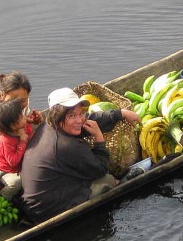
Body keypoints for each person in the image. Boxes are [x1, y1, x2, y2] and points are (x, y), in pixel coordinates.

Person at [20, 88, 141, 222]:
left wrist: (119, 114)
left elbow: (88, 121)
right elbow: (101, 169)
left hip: (37, 199)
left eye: (80, 113)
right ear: (58, 116)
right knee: (107, 180)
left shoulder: (48, 125)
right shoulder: (66, 145)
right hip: (47, 210)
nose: (79, 120)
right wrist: (99, 138)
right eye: (72, 116)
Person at [0, 98, 35, 200]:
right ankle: (3, 198)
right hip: (6, 170)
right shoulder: (5, 141)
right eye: (21, 117)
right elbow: (12, 162)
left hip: (20, 165)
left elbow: (31, 134)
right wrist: (22, 142)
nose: (24, 117)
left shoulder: (23, 127)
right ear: (13, 125)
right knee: (15, 183)